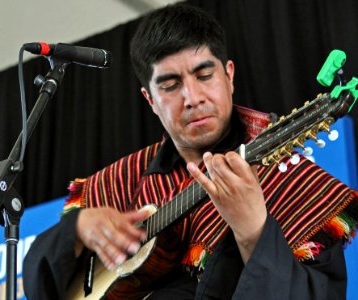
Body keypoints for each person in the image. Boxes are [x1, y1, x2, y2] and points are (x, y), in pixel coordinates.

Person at [23, 3, 358, 299]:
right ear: (150, 100)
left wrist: (254, 230)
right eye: (170, 85)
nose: (192, 97)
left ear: (229, 76)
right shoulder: (118, 183)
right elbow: (41, 285)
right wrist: (78, 227)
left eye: (204, 74)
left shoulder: (296, 184)